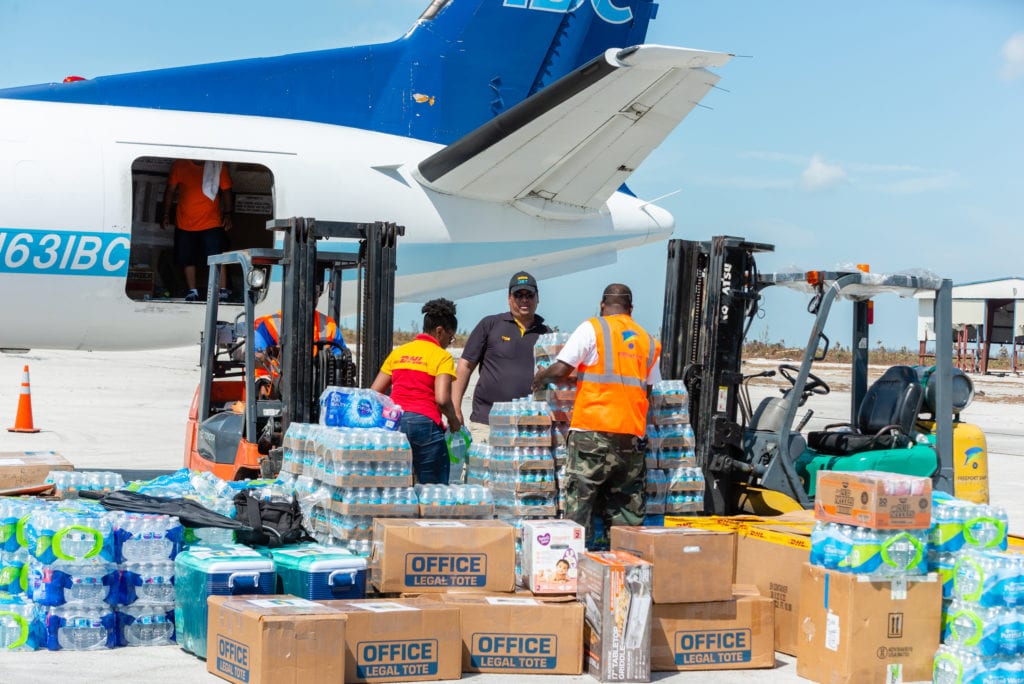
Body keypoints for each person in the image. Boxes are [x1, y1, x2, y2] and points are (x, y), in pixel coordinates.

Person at [531, 283, 661, 545]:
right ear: (631, 309)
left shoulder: (593, 328)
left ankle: (575, 570)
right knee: (626, 511)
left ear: (602, 304)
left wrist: (539, 378)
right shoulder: (648, 341)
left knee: (580, 508)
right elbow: (649, 389)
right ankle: (625, 570)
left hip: (592, 433)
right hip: (631, 438)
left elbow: (560, 370)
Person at [453, 271, 551, 442]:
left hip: (529, 426)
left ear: (538, 298)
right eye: (518, 295)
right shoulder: (490, 325)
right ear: (509, 298)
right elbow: (465, 366)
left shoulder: (547, 334)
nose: (524, 300)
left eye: (529, 295)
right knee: (482, 469)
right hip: (487, 423)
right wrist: (455, 408)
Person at [371, 299, 462, 484]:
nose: (449, 343)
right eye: (450, 338)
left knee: (397, 486)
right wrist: (453, 420)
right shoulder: (441, 356)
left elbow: (374, 392)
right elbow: (442, 399)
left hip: (395, 423)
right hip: (425, 425)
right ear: (439, 331)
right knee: (434, 491)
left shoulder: (399, 352)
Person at [252, 281, 347, 390]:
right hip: (274, 385)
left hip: (316, 385)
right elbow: (255, 358)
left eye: (315, 293)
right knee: (264, 387)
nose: (310, 298)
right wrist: (271, 354)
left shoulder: (328, 325)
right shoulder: (270, 324)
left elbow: (340, 357)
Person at [161, 159, 234, 302]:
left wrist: (228, 214)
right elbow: (170, 190)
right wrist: (165, 214)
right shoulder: (179, 165)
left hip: (211, 222)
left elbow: (227, 191)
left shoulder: (218, 166)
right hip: (185, 223)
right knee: (188, 259)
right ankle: (192, 291)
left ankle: (222, 291)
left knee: (217, 257)